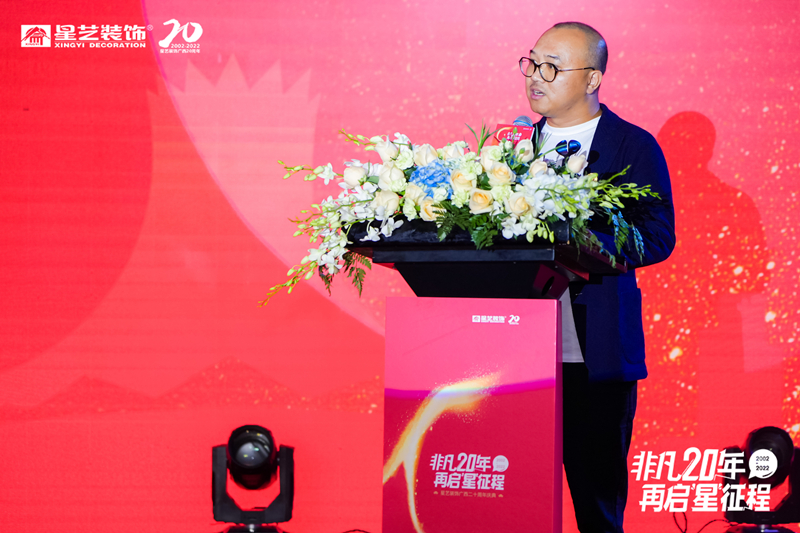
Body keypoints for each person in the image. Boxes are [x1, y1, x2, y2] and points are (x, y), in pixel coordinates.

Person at [520, 22, 676, 532]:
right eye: (532, 63)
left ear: (592, 79)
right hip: (514, 348)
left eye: (552, 67)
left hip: (593, 351)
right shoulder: (510, 148)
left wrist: (587, 242)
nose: (535, 76)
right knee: (512, 491)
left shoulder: (630, 145)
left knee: (597, 503)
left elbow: (658, 236)